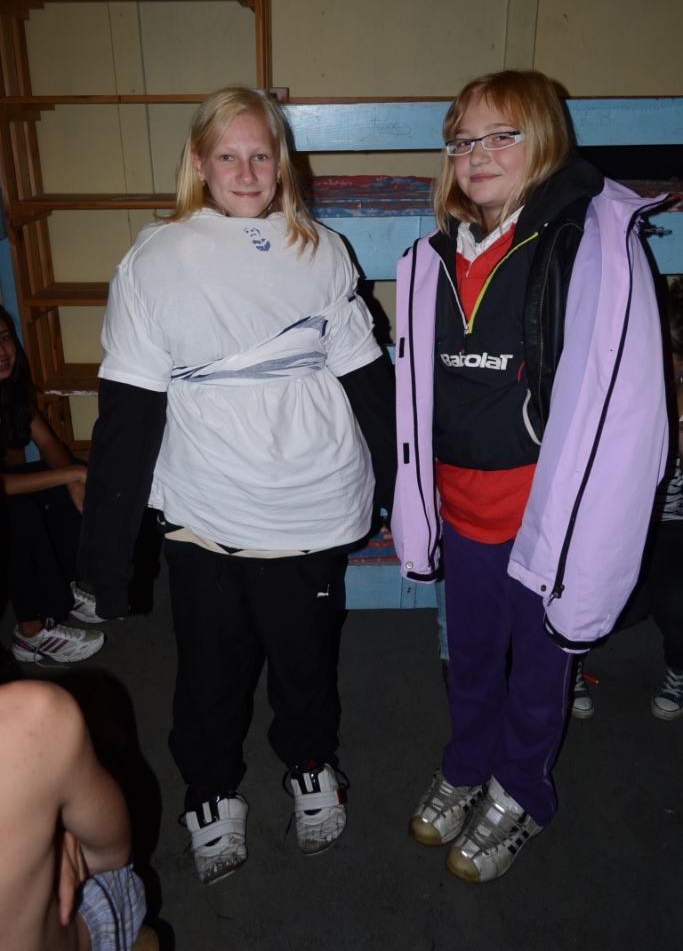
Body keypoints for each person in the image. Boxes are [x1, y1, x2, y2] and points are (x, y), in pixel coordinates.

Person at [78, 87, 395, 884]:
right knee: (209, 669)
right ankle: (212, 789)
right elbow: (127, 414)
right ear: (198, 163)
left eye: (261, 154)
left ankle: (311, 764)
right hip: (207, 508)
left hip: (312, 502)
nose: (246, 171)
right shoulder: (154, 260)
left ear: (281, 162)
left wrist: (405, 488)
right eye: (228, 155)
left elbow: (367, 381)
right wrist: (106, 559)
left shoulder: (322, 249)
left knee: (304, 661)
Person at [392, 69, 668, 883]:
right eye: (462, 141)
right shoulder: (432, 257)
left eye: (500, 136)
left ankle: (522, 792)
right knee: (472, 658)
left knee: (540, 671)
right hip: (461, 510)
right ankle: (466, 764)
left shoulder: (585, 245)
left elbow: (618, 406)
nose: (477, 154)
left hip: (543, 522)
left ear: (543, 138)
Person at [572, 276, 683, 722]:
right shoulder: (628, 384)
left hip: (673, 521)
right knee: (602, 592)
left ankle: (678, 668)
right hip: (617, 515)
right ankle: (569, 660)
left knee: (675, 597)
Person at [0, 679, 145, 950]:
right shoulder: (29, 715)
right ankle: (103, 748)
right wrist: (52, 840)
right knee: (82, 727)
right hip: (81, 928)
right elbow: (111, 855)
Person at [0, 307, 105, 664]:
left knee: (69, 475)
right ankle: (31, 634)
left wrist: (71, 477)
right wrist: (71, 476)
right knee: (17, 513)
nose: (2, 351)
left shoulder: (9, 387)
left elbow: (47, 443)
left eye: (5, 338)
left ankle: (61, 587)